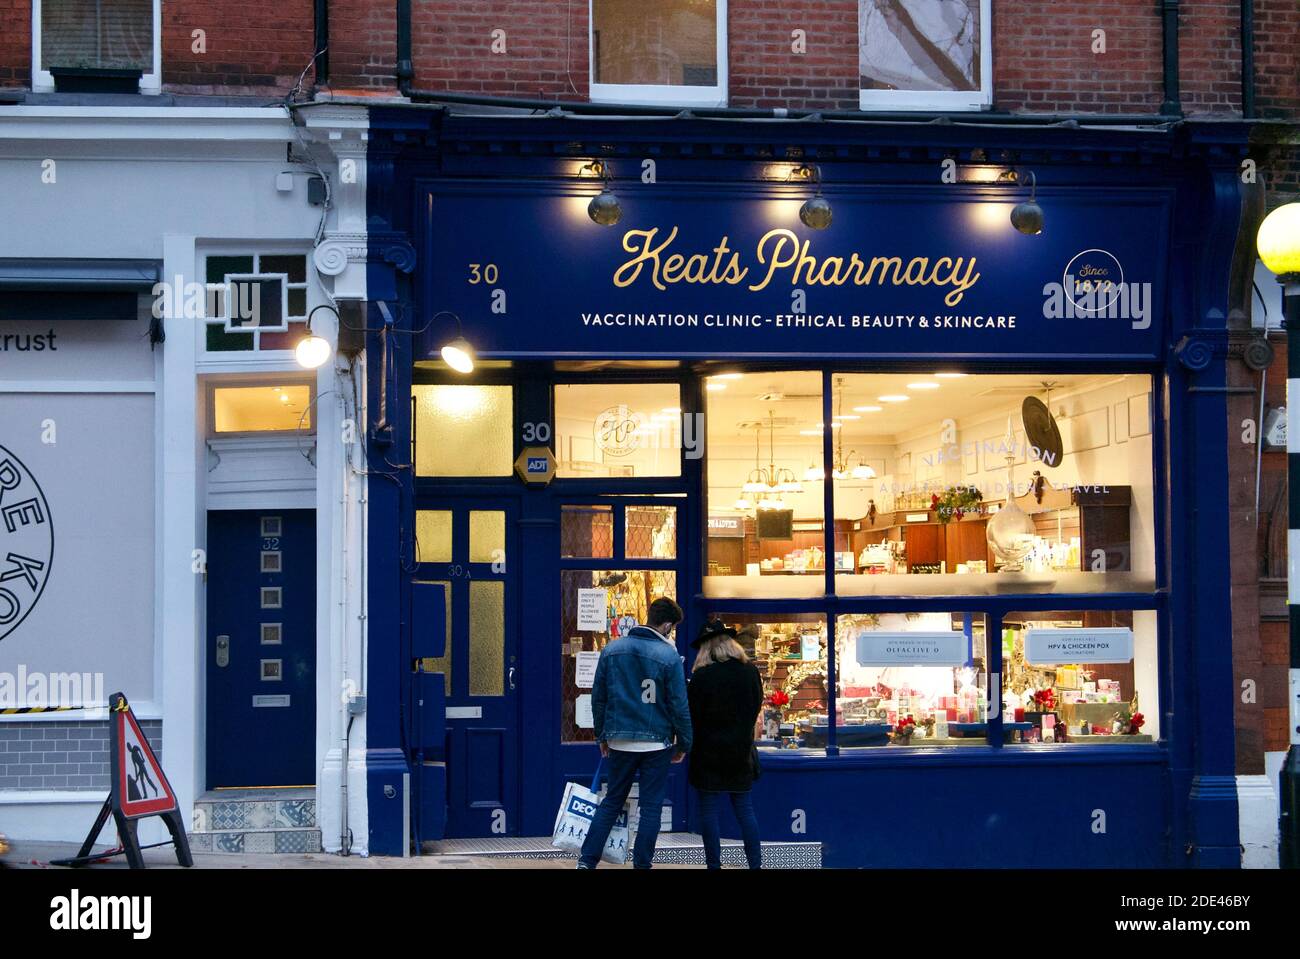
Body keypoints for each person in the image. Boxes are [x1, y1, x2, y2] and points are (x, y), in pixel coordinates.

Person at [577, 596, 692, 869]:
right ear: (666, 625)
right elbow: (679, 705)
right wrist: (684, 743)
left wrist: (602, 735)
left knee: (612, 801)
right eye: (672, 627)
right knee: (651, 807)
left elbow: (599, 697)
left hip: (619, 739)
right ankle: (642, 863)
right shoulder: (669, 656)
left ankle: (587, 860)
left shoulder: (612, 650)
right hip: (656, 742)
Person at [687, 619, 765, 870]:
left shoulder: (702, 677)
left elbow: (692, 716)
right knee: (745, 811)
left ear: (706, 647)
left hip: (707, 753)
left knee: (709, 812)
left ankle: (714, 866)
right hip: (740, 752)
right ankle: (755, 865)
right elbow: (756, 707)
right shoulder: (750, 672)